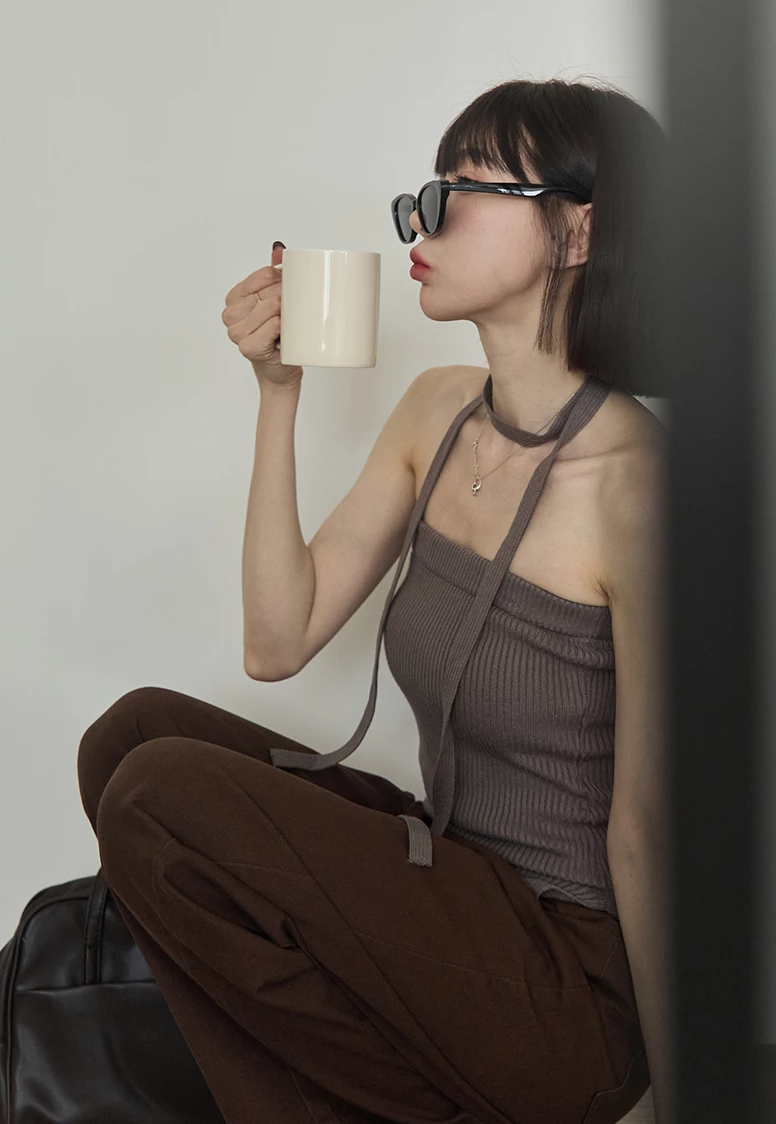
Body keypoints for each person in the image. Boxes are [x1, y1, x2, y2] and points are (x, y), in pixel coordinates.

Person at [77, 75, 671, 1124]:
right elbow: (277, 642)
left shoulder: (636, 488)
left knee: (158, 792)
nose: (419, 220)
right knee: (130, 739)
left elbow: (648, 829)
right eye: (422, 193)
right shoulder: (437, 412)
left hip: (561, 984)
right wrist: (278, 394)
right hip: (452, 896)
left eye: (463, 190)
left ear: (579, 231)